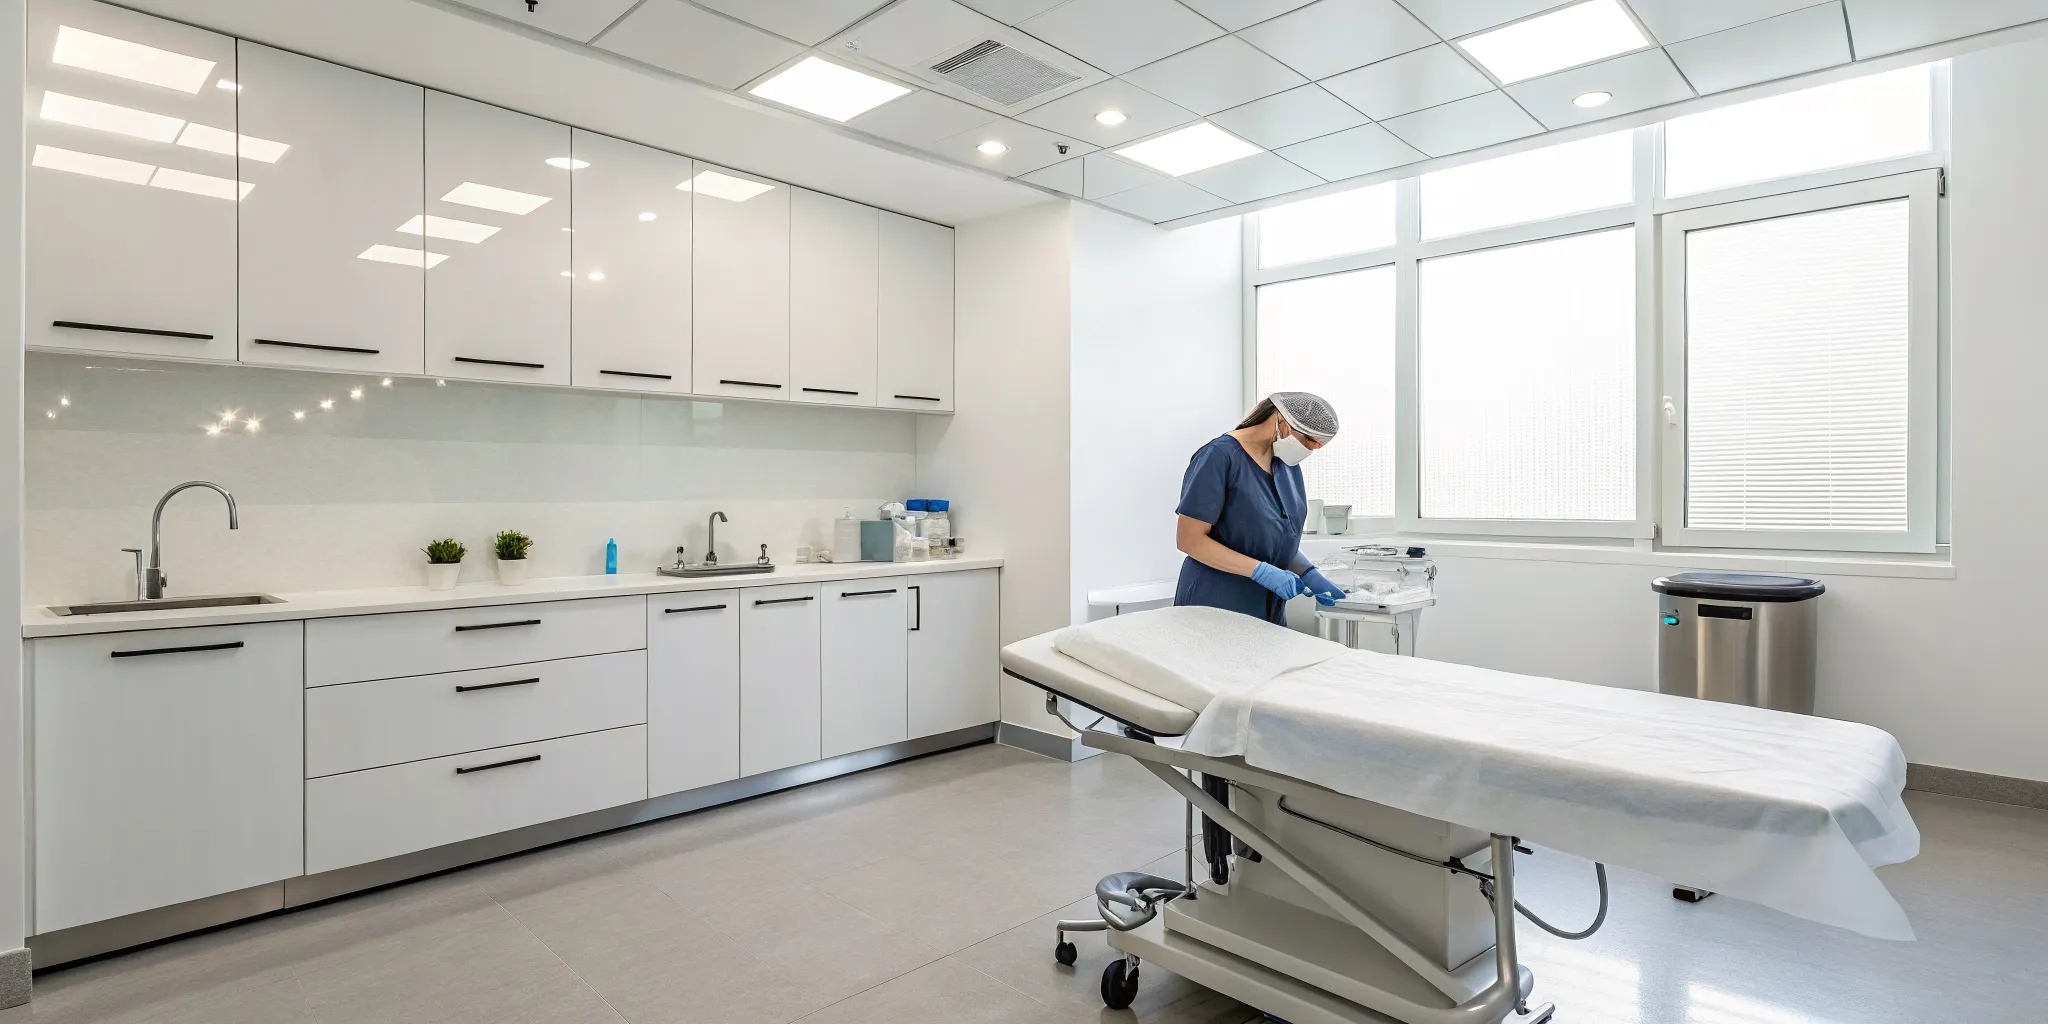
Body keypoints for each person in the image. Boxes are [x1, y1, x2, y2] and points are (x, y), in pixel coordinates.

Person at [1174, 392, 1347, 626]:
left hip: (1267, 608)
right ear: (1282, 421)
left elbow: (1275, 537)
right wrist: (1262, 572)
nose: (1311, 449)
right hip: (1215, 602)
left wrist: (1307, 572)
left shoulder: (1286, 465)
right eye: (1308, 440)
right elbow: (1189, 540)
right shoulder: (1220, 457)